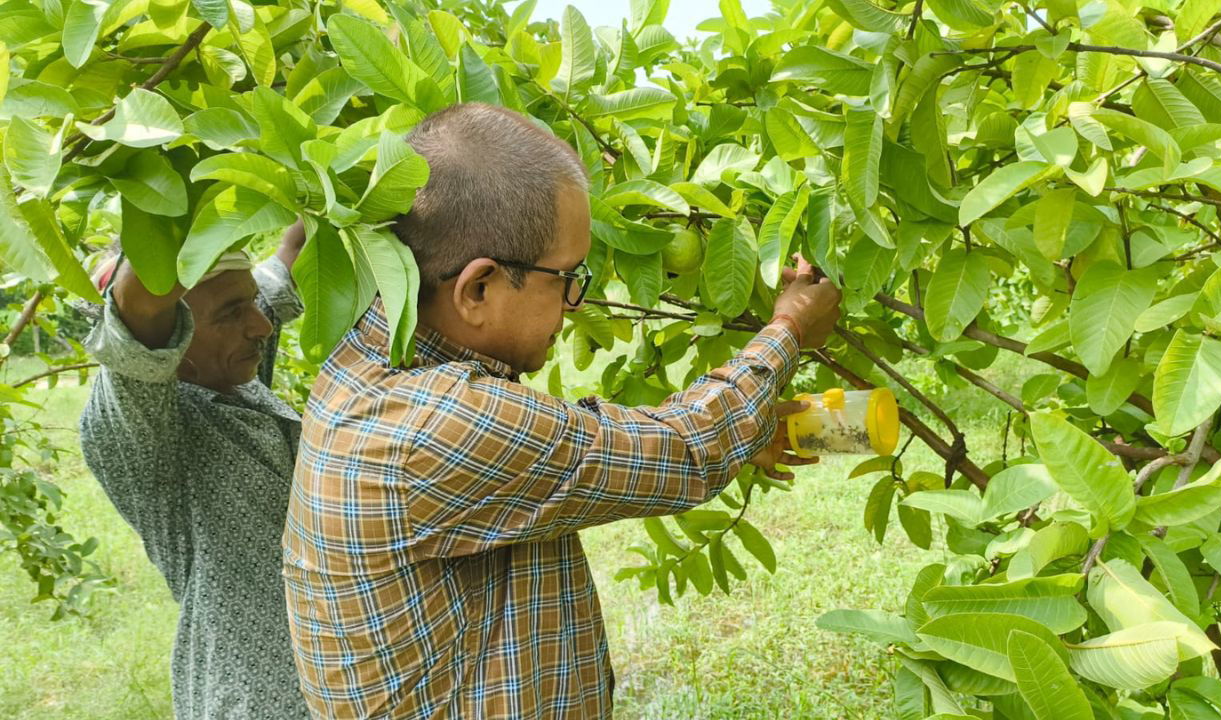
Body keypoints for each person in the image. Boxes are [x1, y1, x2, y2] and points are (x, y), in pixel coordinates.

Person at [283, 103, 841, 719]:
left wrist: (746, 427)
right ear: (477, 289)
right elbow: (686, 449)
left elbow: (569, 454)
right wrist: (788, 327)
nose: (574, 303)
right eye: (566, 277)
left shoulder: (370, 362)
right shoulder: (432, 425)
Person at [79, 226, 311, 719]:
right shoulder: (139, 428)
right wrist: (178, 183)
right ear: (170, 337)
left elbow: (292, 253)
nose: (261, 326)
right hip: (257, 698)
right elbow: (140, 307)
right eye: (232, 313)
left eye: (249, 303)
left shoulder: (225, 366)